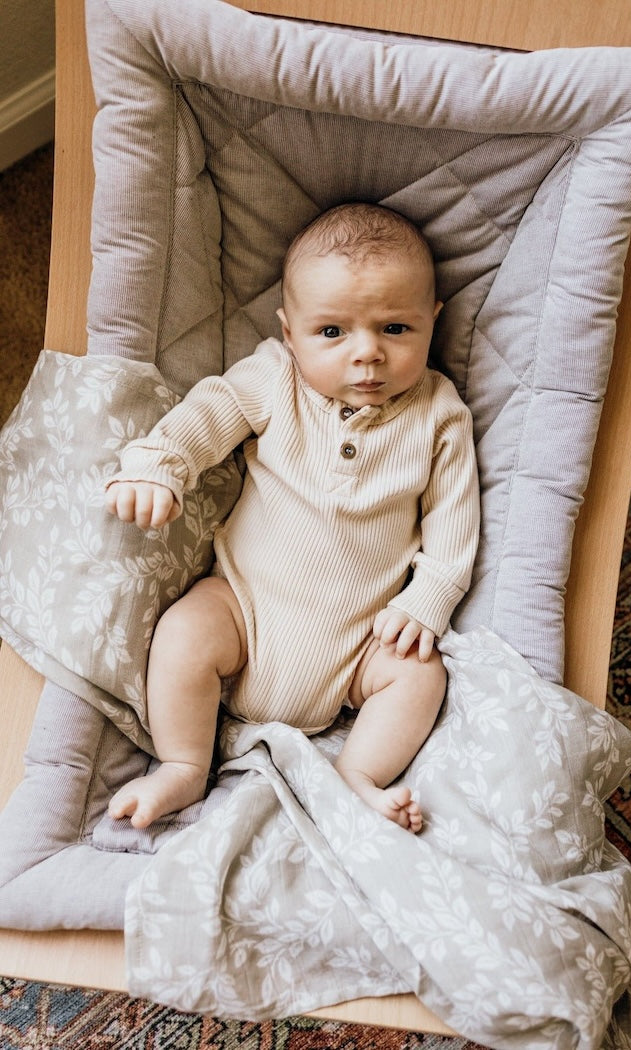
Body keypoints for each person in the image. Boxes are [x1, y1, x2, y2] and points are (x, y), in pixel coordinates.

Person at [105, 202, 480, 834]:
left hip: (362, 645)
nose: (367, 356)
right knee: (184, 631)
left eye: (395, 329)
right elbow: (212, 411)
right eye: (332, 332)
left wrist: (429, 599)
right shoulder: (276, 379)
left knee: (420, 675)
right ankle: (183, 763)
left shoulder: (439, 412)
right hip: (245, 612)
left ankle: (356, 774)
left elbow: (455, 515)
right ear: (289, 331)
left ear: (432, 321)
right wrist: (159, 464)